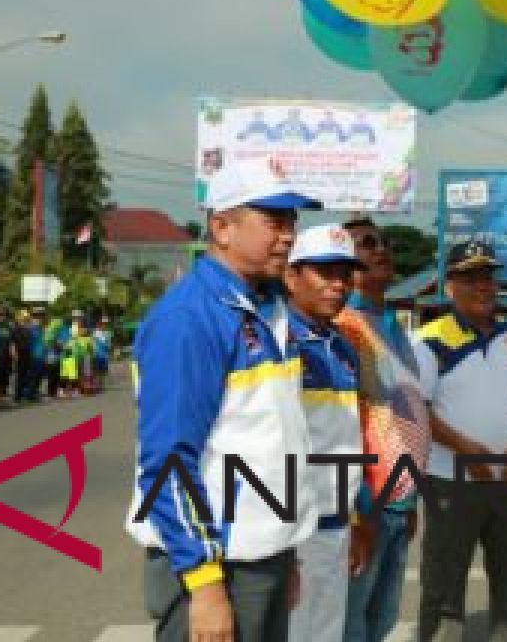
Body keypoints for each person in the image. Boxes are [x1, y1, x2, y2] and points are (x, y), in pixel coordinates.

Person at [125, 157, 322, 642]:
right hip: (217, 564)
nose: (289, 235)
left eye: (293, 221)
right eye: (274, 221)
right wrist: (205, 585)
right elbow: (168, 460)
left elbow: (272, 436)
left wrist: (286, 550)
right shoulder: (189, 317)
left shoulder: (269, 306)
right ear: (221, 227)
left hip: (264, 554)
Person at [415, 241, 507, 642]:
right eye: (470, 278)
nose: (482, 287)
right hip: (451, 482)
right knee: (443, 587)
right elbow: (418, 409)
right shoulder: (428, 339)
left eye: (487, 277)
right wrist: (466, 449)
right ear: (450, 284)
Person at [337, 218, 431, 642]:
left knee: (381, 620)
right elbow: (344, 424)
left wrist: (408, 502)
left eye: (385, 242)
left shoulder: (391, 324)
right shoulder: (343, 324)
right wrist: (359, 510)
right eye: (367, 244)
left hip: (397, 502)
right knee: (352, 623)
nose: (381, 250)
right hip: (366, 505)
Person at [285, 224, 374, 642]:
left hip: (335, 523)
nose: (338, 284)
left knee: (326, 633)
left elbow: (344, 440)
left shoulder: (341, 345)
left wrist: (354, 516)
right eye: (325, 272)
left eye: (344, 273)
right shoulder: (275, 340)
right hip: (289, 527)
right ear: (291, 275)